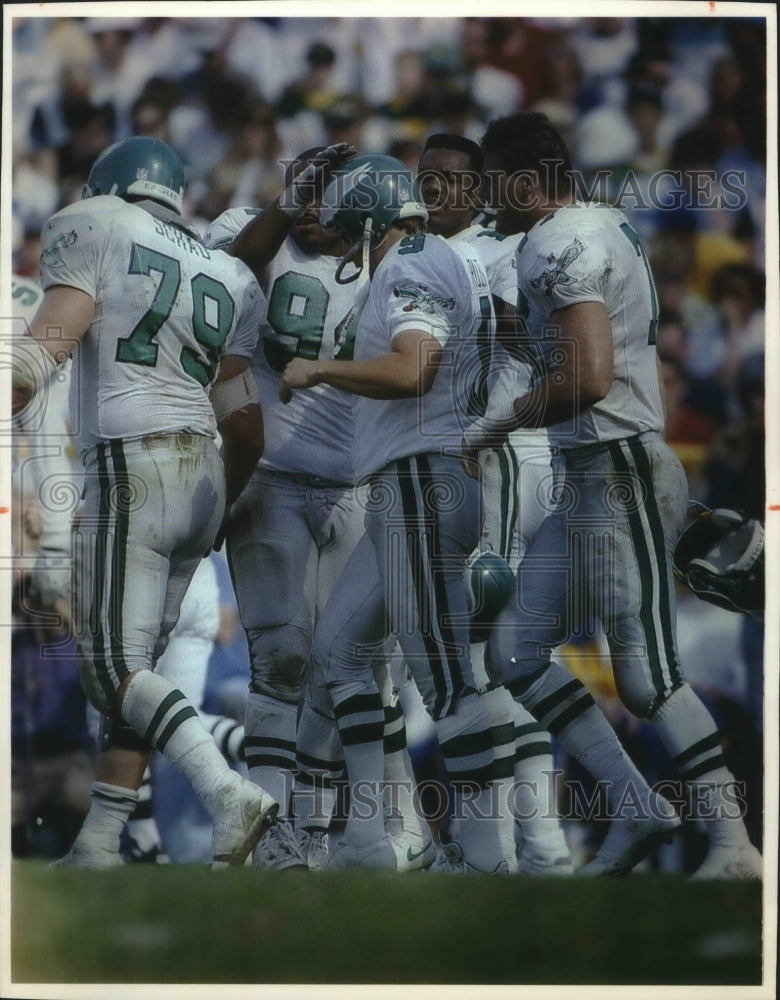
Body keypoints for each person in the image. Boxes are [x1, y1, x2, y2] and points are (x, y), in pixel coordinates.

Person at [465, 111, 761, 878]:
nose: (488, 198)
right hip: (597, 471)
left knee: (645, 672)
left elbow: (589, 377)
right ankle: (635, 809)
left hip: (617, 463)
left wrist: (501, 419)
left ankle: (733, 845)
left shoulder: (557, 239)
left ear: (527, 181)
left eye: (496, 180)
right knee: (517, 650)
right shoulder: (603, 222)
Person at [12, 135, 278, 869]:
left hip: (133, 460)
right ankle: (100, 843)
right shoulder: (225, 271)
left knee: (109, 670)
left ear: (110, 185)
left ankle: (227, 790)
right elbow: (246, 425)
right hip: (206, 476)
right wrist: (221, 506)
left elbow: (42, 352)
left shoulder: (95, 223)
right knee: (139, 673)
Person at [203, 146, 432, 871]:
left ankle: (337, 830)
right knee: (283, 658)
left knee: (352, 667)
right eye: (304, 190)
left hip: (356, 482)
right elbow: (237, 265)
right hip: (270, 476)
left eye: (325, 193)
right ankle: (270, 836)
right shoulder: (253, 229)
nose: (313, 207)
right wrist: (284, 201)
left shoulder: (382, 255)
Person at [281, 154, 505, 874]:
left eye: (352, 232)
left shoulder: (410, 255)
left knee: (441, 677)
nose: (348, 248)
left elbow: (414, 366)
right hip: (418, 475)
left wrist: (320, 368)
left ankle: (487, 856)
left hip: (421, 477)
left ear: (376, 214)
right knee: (340, 655)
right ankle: (370, 843)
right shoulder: (441, 255)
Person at [417, 132, 572, 874]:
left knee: (481, 651)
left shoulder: (491, 251)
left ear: (480, 190)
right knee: (504, 653)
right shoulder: (447, 249)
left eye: (451, 181)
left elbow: (533, 338)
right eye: (427, 179)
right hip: (504, 451)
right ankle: (533, 847)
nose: (436, 192)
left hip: (504, 451)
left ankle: (504, 850)